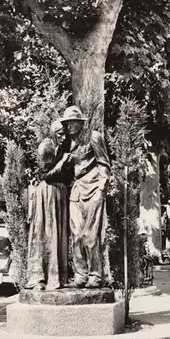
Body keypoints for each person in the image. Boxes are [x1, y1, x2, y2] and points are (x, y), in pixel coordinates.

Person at [60, 105, 111, 288]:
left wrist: (101, 189)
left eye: (72, 122)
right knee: (76, 235)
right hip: (76, 191)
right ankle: (80, 274)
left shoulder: (94, 137)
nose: (68, 126)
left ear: (80, 123)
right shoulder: (67, 143)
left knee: (91, 235)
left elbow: (104, 164)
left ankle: (95, 275)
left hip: (93, 190)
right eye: (66, 123)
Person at [25, 120, 72, 291]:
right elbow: (45, 176)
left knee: (57, 234)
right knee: (44, 232)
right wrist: (62, 163)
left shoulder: (63, 149)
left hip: (59, 194)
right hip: (47, 193)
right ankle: (39, 276)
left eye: (64, 133)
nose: (63, 136)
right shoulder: (46, 147)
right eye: (59, 133)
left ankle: (58, 276)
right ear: (53, 133)